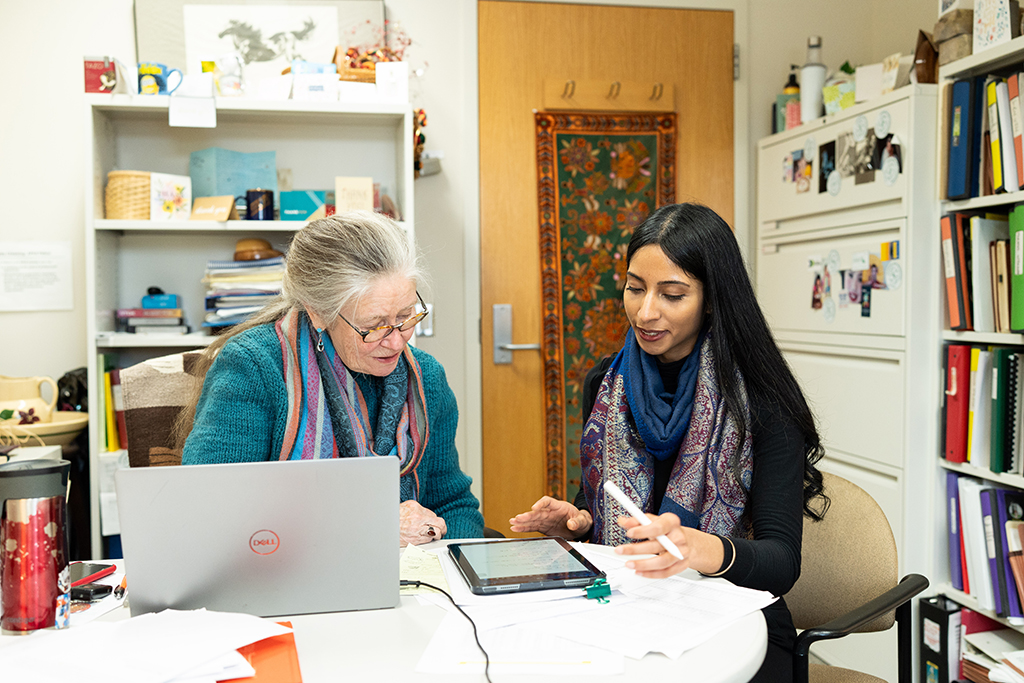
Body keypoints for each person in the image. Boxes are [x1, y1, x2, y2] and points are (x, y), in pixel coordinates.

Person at [510, 203, 828, 682]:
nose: (645, 311)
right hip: (632, 608)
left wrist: (696, 548)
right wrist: (577, 523)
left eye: (672, 294)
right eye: (635, 288)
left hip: (738, 622)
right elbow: (610, 512)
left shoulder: (762, 399)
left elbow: (781, 563)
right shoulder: (606, 384)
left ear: (713, 299)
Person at [177, 212, 484, 543]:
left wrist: (453, 570)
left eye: (406, 316)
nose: (397, 341)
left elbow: (454, 506)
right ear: (318, 313)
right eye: (374, 326)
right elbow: (210, 510)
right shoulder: (254, 366)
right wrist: (373, 524)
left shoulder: (426, 377)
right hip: (281, 580)